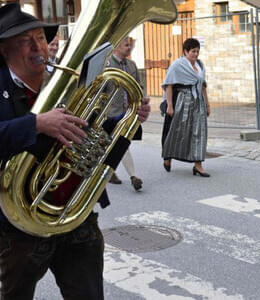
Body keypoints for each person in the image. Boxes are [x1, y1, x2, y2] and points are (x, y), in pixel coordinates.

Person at [0, 4, 150, 299]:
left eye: (41, 38)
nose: (38, 46)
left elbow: (91, 130)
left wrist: (128, 120)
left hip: (75, 217)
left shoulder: (64, 80)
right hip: (19, 229)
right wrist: (36, 124)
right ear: (4, 50)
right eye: (25, 41)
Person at [161, 38, 211, 177]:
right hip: (182, 101)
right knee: (176, 132)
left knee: (199, 132)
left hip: (198, 102)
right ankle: (168, 157)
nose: (195, 54)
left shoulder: (200, 65)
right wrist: (170, 106)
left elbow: (202, 85)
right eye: (193, 51)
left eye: (197, 51)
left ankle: (198, 165)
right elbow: (169, 85)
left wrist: (207, 104)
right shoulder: (177, 65)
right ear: (185, 51)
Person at [106, 36, 146, 191]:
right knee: (119, 143)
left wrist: (140, 104)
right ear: (116, 46)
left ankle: (110, 171)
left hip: (127, 112)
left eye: (130, 45)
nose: (129, 47)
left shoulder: (132, 65)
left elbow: (138, 87)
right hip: (109, 113)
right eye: (126, 45)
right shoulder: (107, 65)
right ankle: (133, 176)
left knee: (119, 143)